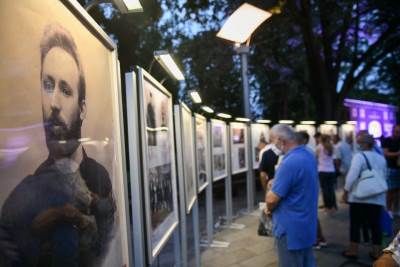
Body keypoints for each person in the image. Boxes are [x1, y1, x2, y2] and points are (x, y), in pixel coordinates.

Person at [0, 24, 115, 267]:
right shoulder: (21, 200)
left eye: (65, 90)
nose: (53, 103)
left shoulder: (100, 178)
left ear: (82, 108)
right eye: (48, 85)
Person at [265, 125, 318, 267]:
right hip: (306, 224)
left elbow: (272, 199)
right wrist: (277, 182)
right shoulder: (308, 154)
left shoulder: (289, 163)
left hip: (290, 229)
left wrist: (268, 207)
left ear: (280, 140)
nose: (272, 144)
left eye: (272, 140)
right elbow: (298, 182)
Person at [342, 133, 387, 260]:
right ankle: (376, 252)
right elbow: (384, 176)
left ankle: (353, 250)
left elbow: (352, 175)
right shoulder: (381, 158)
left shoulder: (359, 156)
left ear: (365, 144)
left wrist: (346, 191)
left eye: (360, 142)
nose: (358, 144)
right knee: (375, 225)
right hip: (377, 197)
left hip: (359, 197)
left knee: (356, 224)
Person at [297, 131, 327, 250]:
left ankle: (316, 239)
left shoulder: (306, 152)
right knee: (311, 214)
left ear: (304, 140)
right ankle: (320, 238)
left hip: (307, 187)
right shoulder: (309, 151)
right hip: (311, 186)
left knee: (310, 215)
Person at [317, 134, 338, 212]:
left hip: (322, 170)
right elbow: (335, 159)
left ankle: (327, 206)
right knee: (331, 189)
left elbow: (316, 158)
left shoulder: (319, 147)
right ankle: (333, 206)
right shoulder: (333, 147)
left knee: (324, 190)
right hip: (331, 170)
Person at [382, 125, 400, 216]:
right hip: (390, 169)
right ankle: (389, 210)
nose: (398, 134)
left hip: (398, 168)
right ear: (392, 131)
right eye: (396, 131)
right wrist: (397, 153)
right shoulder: (387, 141)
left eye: (399, 132)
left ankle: (396, 210)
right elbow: (385, 154)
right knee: (390, 191)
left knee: (398, 191)